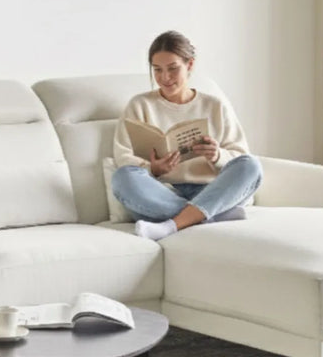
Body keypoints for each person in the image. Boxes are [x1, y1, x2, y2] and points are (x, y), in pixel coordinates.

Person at [111, 31, 262, 241]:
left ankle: (173, 224)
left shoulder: (215, 106)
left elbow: (240, 155)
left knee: (251, 165)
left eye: (173, 69)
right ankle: (212, 215)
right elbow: (123, 156)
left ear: (189, 65)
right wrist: (152, 168)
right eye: (157, 70)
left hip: (211, 188)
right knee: (122, 178)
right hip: (162, 193)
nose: (165, 78)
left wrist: (217, 156)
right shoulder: (139, 105)